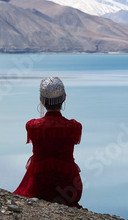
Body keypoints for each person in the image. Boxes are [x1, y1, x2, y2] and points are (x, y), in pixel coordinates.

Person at [14, 77, 83, 208]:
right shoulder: (74, 127)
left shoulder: (32, 126)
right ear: (64, 98)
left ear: (41, 100)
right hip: (69, 189)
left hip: (40, 187)